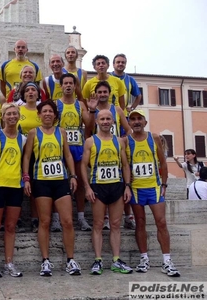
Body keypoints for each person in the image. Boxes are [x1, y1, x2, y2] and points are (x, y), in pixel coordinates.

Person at [22, 99, 81, 277]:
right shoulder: (33, 133)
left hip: (60, 180)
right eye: (44, 111)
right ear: (39, 115)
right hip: (41, 180)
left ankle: (70, 259)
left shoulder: (61, 132)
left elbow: (68, 155)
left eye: (50, 111)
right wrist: (26, 179)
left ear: (55, 115)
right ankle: (45, 261)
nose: (47, 114)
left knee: (67, 221)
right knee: (45, 222)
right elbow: (26, 158)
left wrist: (73, 175)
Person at [125, 109, 180, 277]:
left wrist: (164, 184)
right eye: (133, 119)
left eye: (139, 118)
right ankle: (144, 258)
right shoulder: (125, 141)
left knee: (161, 222)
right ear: (129, 122)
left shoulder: (154, 138)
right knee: (140, 223)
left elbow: (163, 162)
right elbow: (124, 165)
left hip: (154, 188)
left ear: (145, 122)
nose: (136, 122)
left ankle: (167, 261)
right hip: (136, 188)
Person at [81, 109, 133, 275]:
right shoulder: (90, 141)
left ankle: (116, 260)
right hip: (98, 186)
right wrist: (87, 187)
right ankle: (98, 260)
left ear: (113, 122)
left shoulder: (119, 141)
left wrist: (127, 186)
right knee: (97, 224)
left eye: (108, 119)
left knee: (116, 225)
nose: (105, 121)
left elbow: (125, 165)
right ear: (97, 121)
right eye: (102, 119)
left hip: (116, 186)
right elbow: (83, 165)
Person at [0, 103, 26, 278]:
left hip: (15, 187)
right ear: (3, 117)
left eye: (14, 114)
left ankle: (9, 262)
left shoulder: (23, 139)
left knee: (10, 227)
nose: (11, 117)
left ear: (18, 116)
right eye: (8, 114)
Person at [89, 81, 133, 231]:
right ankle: (106, 217)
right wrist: (91, 110)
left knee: (121, 183)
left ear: (109, 94)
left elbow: (128, 130)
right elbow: (88, 130)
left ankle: (127, 216)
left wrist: (123, 143)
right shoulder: (93, 110)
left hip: (116, 149)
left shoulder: (117, 109)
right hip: (98, 151)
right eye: (99, 92)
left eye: (105, 92)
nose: (102, 94)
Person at [56, 73, 97, 231]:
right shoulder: (55, 104)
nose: (67, 86)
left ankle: (80, 217)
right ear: (61, 86)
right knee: (58, 183)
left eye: (70, 83)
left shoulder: (80, 104)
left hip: (78, 147)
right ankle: (56, 218)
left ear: (75, 86)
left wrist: (92, 110)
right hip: (60, 149)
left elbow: (89, 125)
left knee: (79, 183)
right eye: (65, 83)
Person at [17, 82, 43, 233]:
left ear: (38, 94)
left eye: (34, 90)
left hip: (37, 153)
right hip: (19, 152)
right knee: (18, 186)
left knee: (35, 186)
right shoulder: (18, 110)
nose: (31, 92)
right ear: (24, 94)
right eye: (27, 90)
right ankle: (17, 218)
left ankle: (34, 219)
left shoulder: (42, 111)